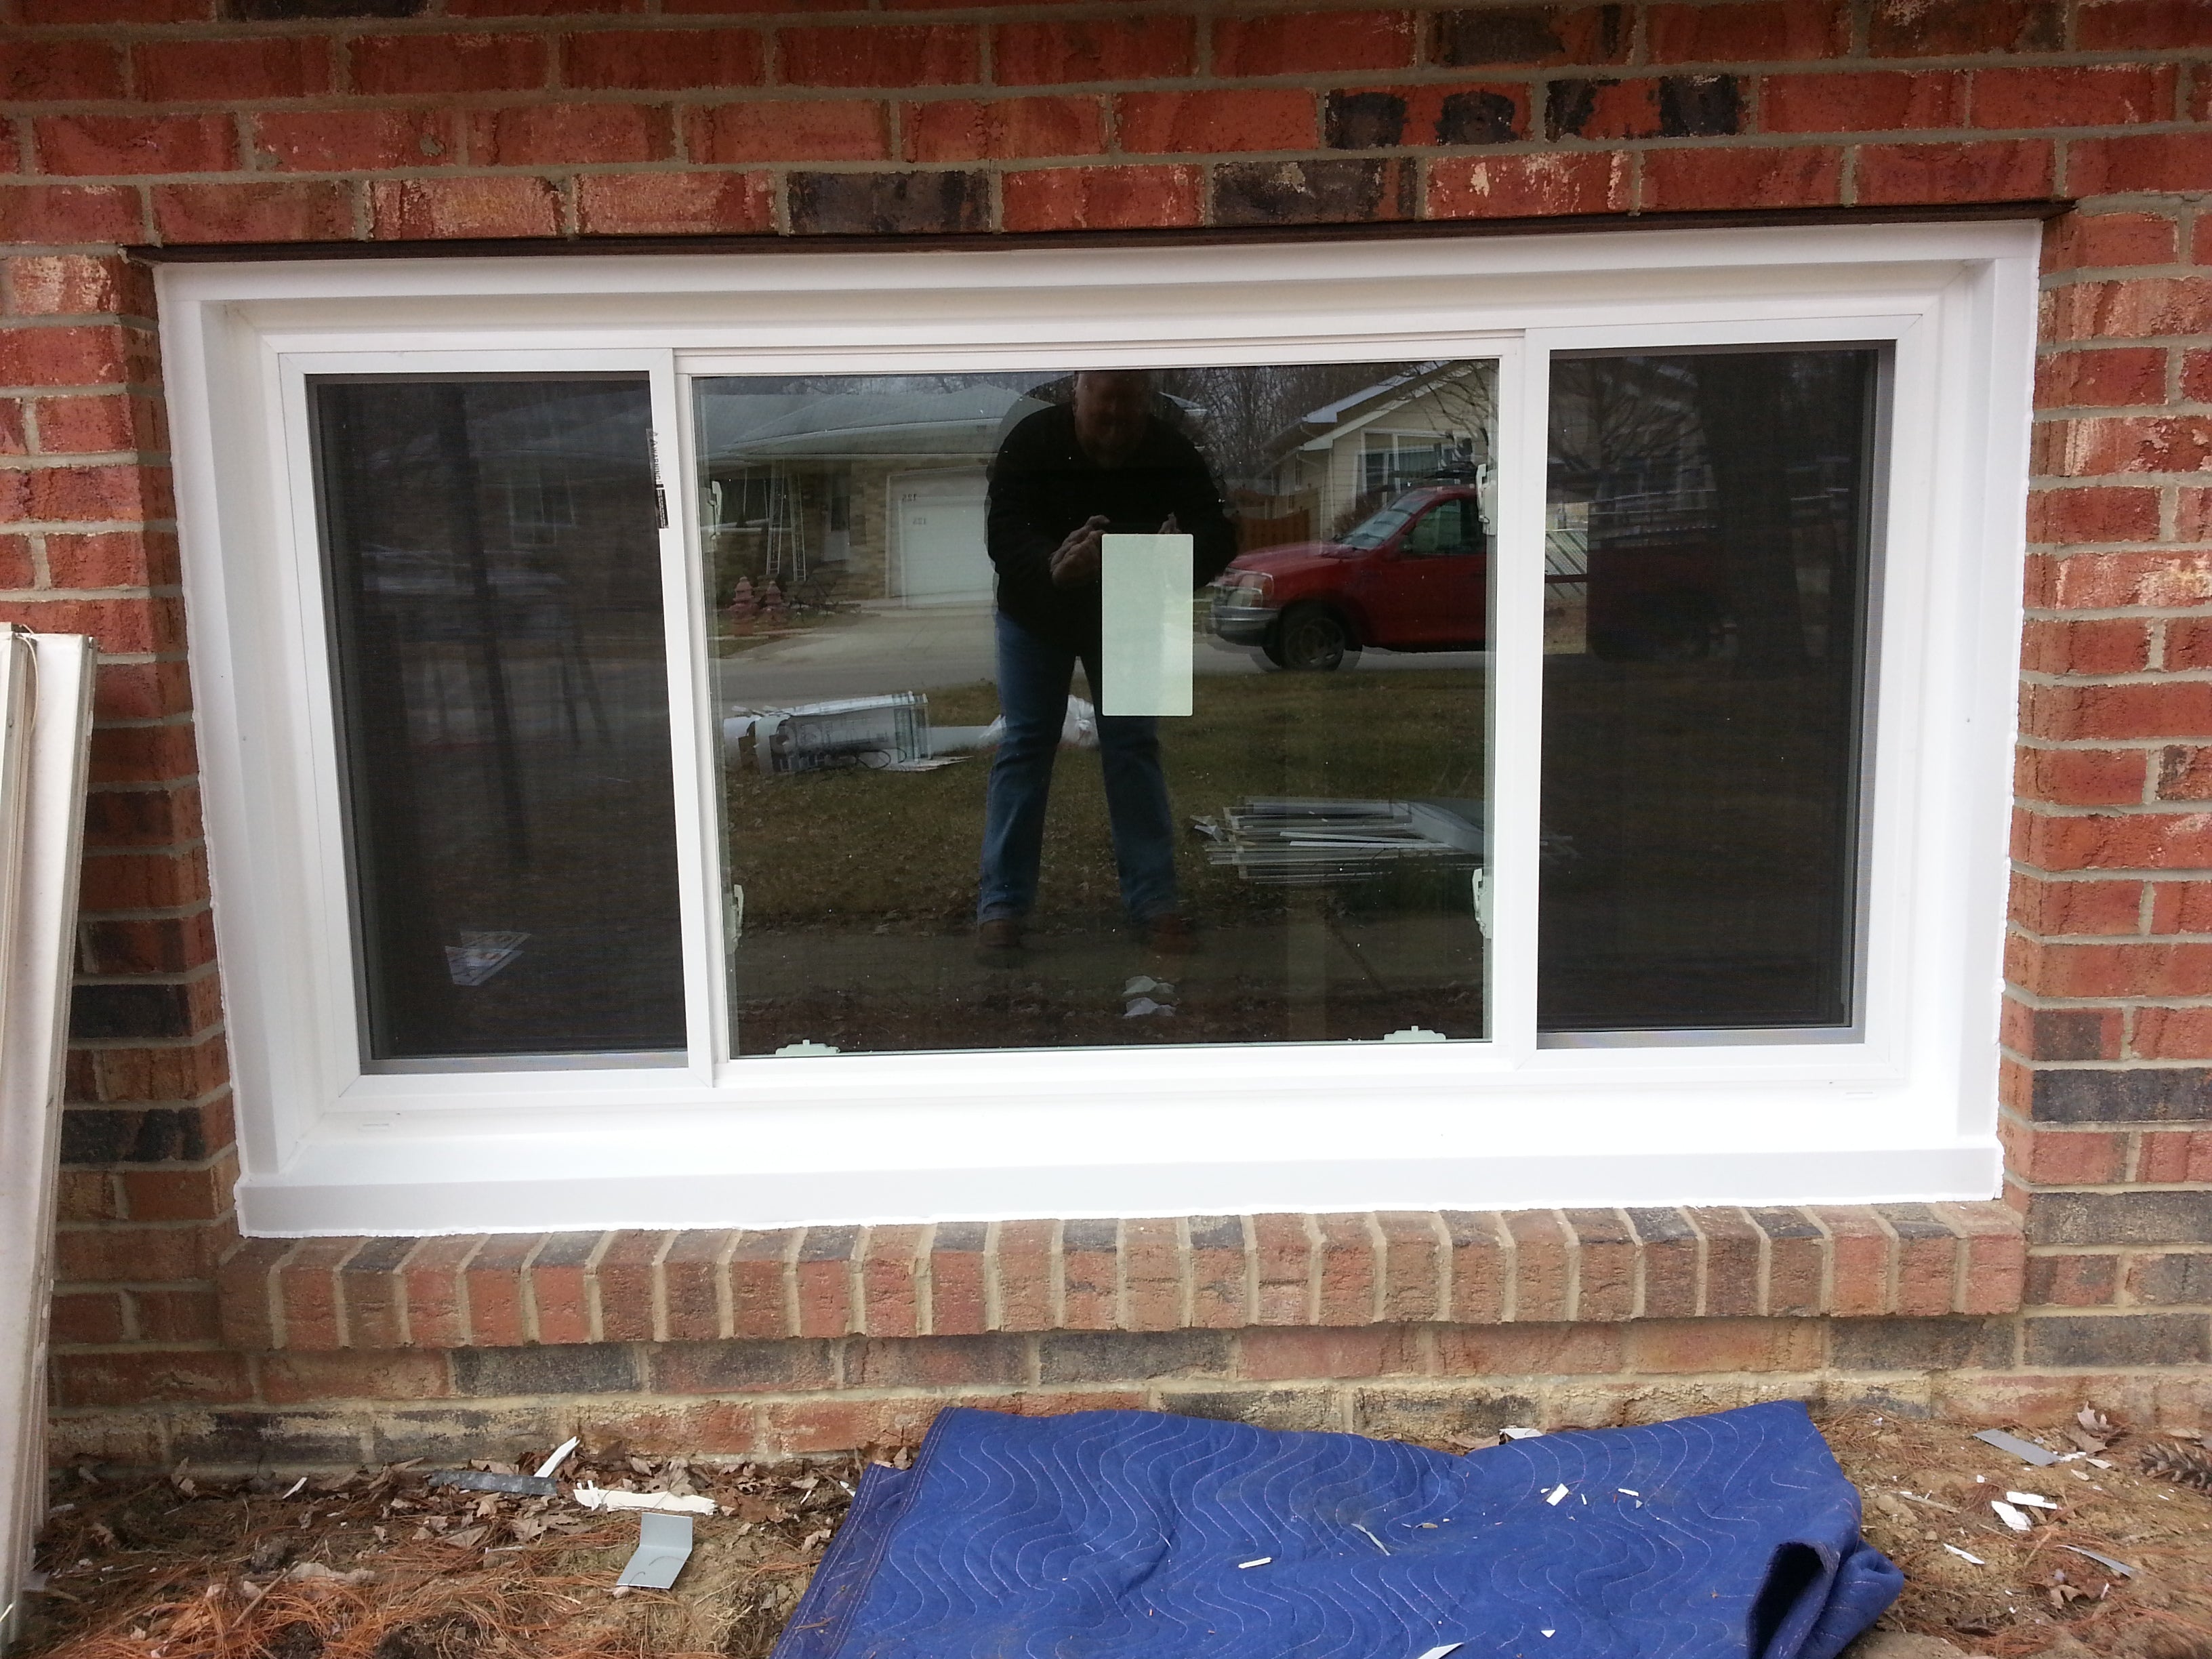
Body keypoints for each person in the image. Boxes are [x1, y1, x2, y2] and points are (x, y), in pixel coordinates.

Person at [977, 369, 1237, 960]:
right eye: (1105, 405)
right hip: (1036, 611)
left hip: (1134, 608)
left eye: (1130, 406)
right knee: (1026, 744)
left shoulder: (1173, 450)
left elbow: (1217, 532)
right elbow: (1003, 531)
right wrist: (1051, 563)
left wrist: (1183, 558)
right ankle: (1002, 908)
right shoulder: (1031, 442)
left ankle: (1155, 903)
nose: (1117, 421)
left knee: (1133, 747)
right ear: (1078, 394)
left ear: (1147, 400)